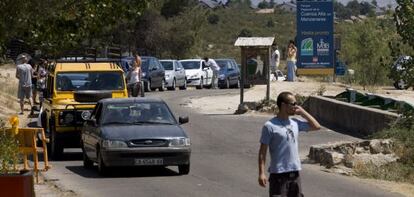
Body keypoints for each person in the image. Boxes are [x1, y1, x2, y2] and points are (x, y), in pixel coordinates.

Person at [258, 91, 321, 197]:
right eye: (293, 104)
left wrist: (302, 112)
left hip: (295, 174)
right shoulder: (269, 126)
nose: (296, 107)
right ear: (283, 105)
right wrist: (261, 173)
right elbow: (262, 152)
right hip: (278, 176)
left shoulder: (295, 123)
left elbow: (316, 126)